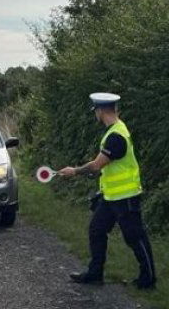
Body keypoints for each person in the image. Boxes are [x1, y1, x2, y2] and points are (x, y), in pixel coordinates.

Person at [59, 93, 157, 290]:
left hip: (126, 197)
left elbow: (96, 165)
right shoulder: (114, 131)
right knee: (97, 229)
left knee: (134, 236)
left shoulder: (116, 137)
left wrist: (74, 171)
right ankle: (95, 274)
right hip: (111, 196)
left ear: (101, 111)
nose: (95, 114)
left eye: (96, 110)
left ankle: (148, 279)